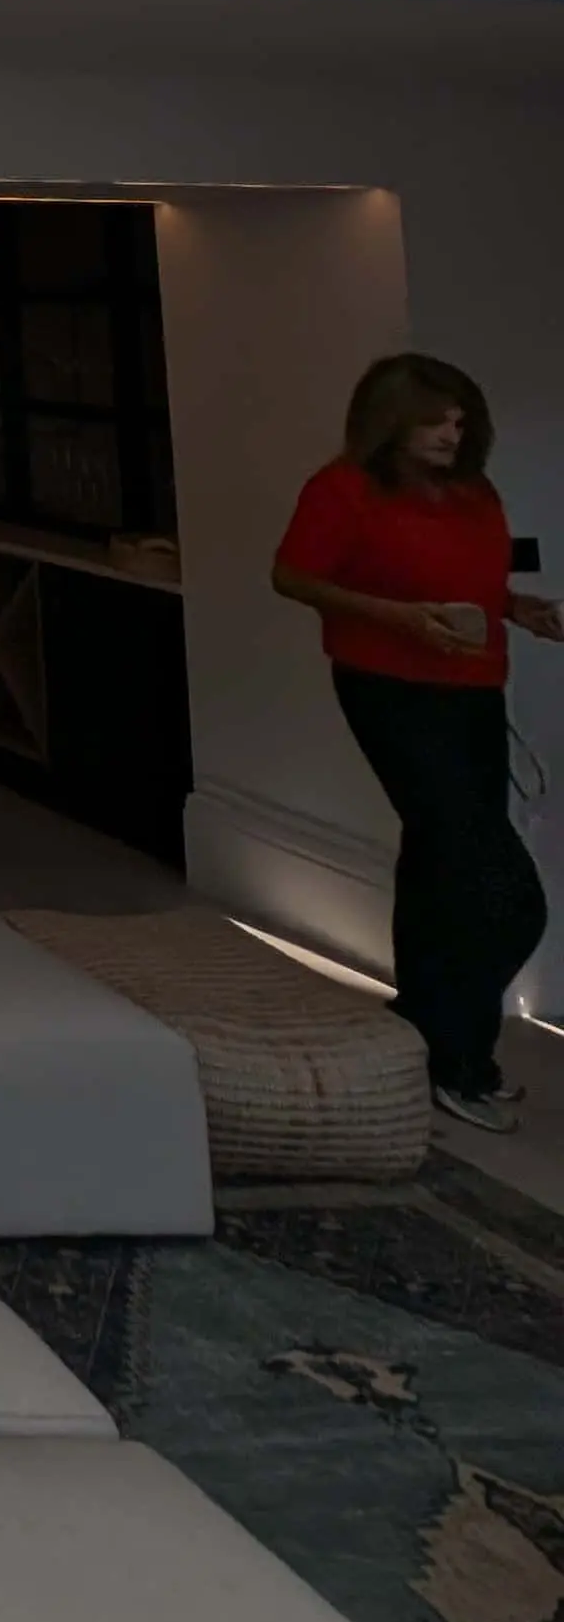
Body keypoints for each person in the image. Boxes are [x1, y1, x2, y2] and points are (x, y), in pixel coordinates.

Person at [272, 354, 563, 1131]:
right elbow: (293, 577)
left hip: (474, 691)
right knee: (506, 895)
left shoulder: (475, 492)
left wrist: (515, 607)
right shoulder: (343, 490)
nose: (449, 434)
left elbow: (468, 579)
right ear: (391, 421)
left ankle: (425, 1040)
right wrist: (399, 617)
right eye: (434, 420)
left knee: (439, 865)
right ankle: (453, 1054)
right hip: (390, 690)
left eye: (461, 421)